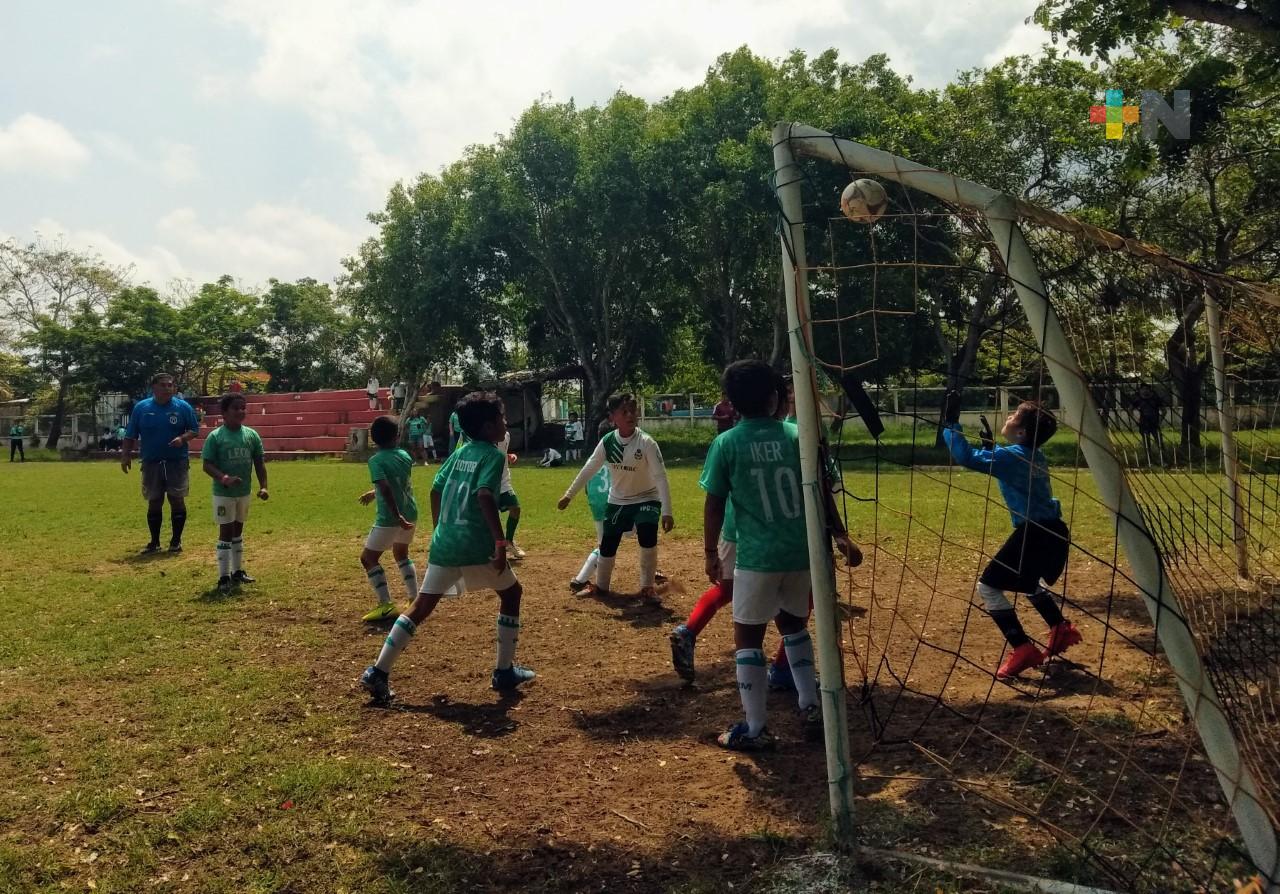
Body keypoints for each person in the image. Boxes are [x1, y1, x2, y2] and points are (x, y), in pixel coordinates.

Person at [702, 360, 858, 750]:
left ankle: (754, 728)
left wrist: (710, 553)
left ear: (732, 404)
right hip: (801, 554)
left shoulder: (726, 444)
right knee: (794, 626)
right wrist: (840, 535)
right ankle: (810, 706)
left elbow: (714, 504)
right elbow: (823, 491)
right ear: (775, 398)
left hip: (757, 558)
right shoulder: (798, 437)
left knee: (748, 639)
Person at [360, 391, 535, 704]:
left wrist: (442, 526)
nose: (506, 424)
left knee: (421, 606)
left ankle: (378, 671)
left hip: (445, 543)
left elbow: (436, 488)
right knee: (512, 594)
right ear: (487, 427)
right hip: (474, 545)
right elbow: (483, 494)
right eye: (501, 419)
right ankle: (504, 671)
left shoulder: (459, 453)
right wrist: (499, 541)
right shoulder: (492, 455)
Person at [941, 395, 1082, 680]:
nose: (1006, 418)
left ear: (1022, 432)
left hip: (1033, 533)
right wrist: (990, 449)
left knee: (988, 587)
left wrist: (950, 425)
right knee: (1028, 581)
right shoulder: (1034, 455)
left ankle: (1022, 647)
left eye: (1012, 416)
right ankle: (1060, 628)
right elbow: (1010, 469)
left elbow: (966, 459)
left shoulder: (1012, 456)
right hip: (1054, 531)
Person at [558, 393, 673, 601]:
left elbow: (660, 477)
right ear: (613, 418)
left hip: (647, 497)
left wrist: (666, 511)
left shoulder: (647, 442)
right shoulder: (607, 442)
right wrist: (568, 495)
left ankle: (647, 588)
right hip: (618, 500)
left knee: (647, 535)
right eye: (624, 412)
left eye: (633, 411)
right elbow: (588, 468)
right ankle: (601, 588)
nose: (630, 415)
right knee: (608, 545)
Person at [121, 372, 200, 554]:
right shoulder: (141, 408)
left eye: (170, 385)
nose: (167, 388)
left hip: (176, 462)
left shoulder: (183, 407)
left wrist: (182, 438)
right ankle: (154, 542)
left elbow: (194, 430)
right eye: (163, 385)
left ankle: (176, 541)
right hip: (151, 462)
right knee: (154, 500)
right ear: (154, 388)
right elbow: (130, 434)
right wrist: (125, 456)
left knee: (176, 499)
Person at [200, 393, 268, 593]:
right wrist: (224, 478)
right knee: (226, 532)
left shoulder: (251, 435)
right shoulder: (216, 436)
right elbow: (206, 464)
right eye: (235, 408)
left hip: (244, 492)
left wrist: (263, 486)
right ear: (224, 412)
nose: (240, 411)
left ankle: (237, 571)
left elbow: (259, 463)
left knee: (238, 530)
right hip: (223, 493)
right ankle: (223, 577)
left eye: (243, 408)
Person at [356, 415, 420, 623]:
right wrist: (372, 493)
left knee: (368, 559)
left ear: (374, 439)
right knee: (401, 553)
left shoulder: (376, 460)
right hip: (410, 512)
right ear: (397, 435)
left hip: (391, 518)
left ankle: (385, 605)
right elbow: (396, 483)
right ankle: (414, 598)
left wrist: (396, 516)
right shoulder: (404, 455)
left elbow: (385, 486)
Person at [497, 430, 527, 561]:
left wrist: (508, 455)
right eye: (502, 416)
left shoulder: (506, 435)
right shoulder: (482, 436)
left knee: (515, 508)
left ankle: (509, 542)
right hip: (488, 480)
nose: (505, 420)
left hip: (503, 481)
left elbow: (500, 451)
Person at [1130, 384, 1164, 464]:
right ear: (1140, 390)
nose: (1145, 390)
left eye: (1147, 389)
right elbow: (1130, 409)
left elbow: (1164, 410)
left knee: (1159, 442)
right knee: (1146, 444)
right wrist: (1136, 419)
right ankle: (1149, 461)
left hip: (1154, 424)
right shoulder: (1138, 400)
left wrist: (1160, 420)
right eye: (1143, 389)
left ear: (1150, 390)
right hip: (1144, 425)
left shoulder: (1155, 399)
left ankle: (1163, 460)